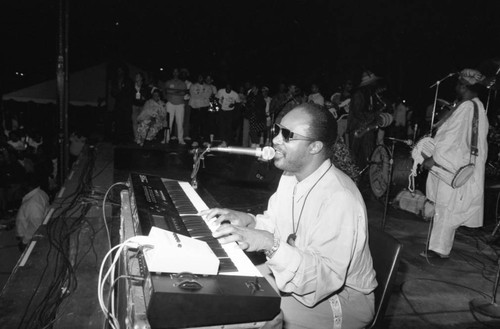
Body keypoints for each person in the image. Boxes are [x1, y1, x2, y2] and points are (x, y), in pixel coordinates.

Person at [202, 103, 377, 328]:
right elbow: (276, 223)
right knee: (220, 289)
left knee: (244, 314)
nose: (275, 139)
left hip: (341, 299)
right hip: (300, 277)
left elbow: (325, 278)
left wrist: (269, 244)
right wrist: (249, 220)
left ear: (314, 147)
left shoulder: (340, 198)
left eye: (287, 135)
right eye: (277, 130)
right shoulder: (290, 176)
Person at [421, 69, 489, 259]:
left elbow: (453, 138)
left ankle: (438, 250)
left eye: (459, 84)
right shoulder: (474, 106)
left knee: (445, 207)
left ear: (464, 86)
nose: (456, 87)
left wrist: (434, 158)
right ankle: (438, 247)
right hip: (455, 163)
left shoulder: (468, 107)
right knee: (445, 208)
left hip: (452, 165)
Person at [15, 174, 50, 251]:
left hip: (29, 239)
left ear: (28, 186)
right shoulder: (40, 192)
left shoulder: (33, 204)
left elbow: (35, 226)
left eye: (22, 185)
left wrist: (25, 242)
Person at [164, 68, 188, 144]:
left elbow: (183, 93)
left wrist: (172, 91)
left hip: (180, 104)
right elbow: (166, 91)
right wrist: (177, 91)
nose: (175, 73)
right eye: (174, 72)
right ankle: (166, 139)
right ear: (172, 73)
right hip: (170, 104)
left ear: (178, 73)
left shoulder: (182, 83)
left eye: (176, 72)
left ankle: (180, 139)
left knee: (180, 122)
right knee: (168, 123)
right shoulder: (168, 82)